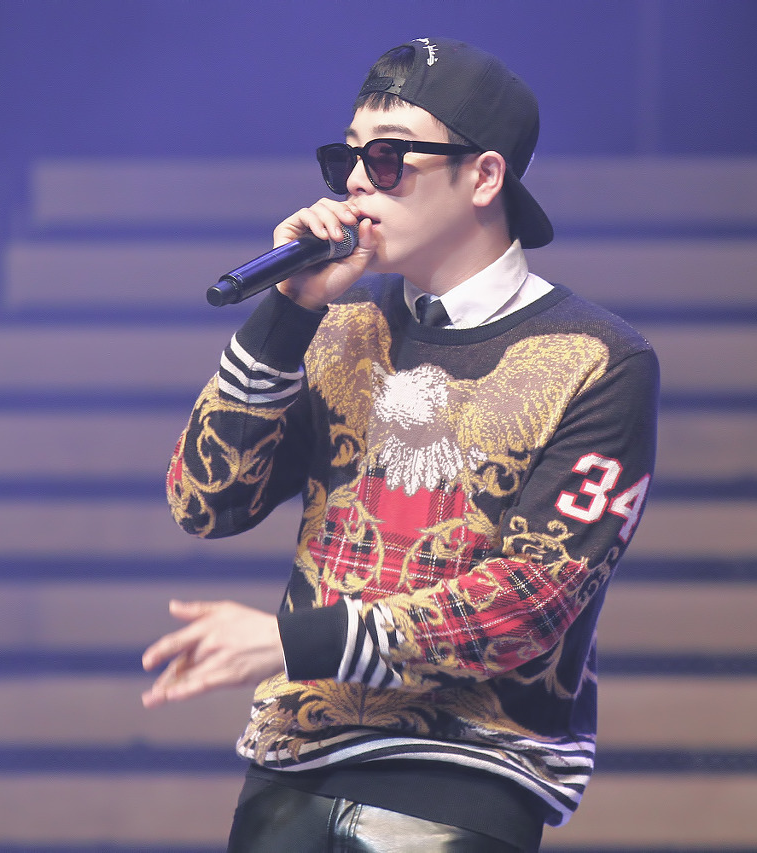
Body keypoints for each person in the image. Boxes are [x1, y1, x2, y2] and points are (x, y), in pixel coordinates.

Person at [141, 37, 659, 852]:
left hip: (460, 786)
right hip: (291, 769)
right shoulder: (340, 321)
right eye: (346, 157)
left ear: (484, 177)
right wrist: (287, 311)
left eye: (387, 158)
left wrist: (292, 639)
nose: (355, 180)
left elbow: (528, 601)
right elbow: (205, 502)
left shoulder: (597, 358)